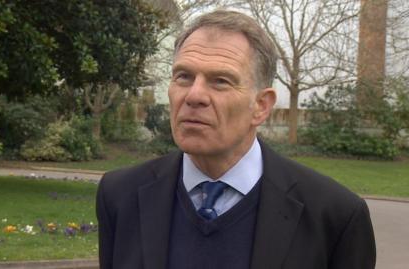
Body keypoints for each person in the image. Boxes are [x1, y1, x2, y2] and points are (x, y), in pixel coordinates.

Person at [96, 10, 376, 269]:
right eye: (184, 76)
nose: (194, 96)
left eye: (220, 81)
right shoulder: (120, 196)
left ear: (261, 106)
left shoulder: (335, 216)